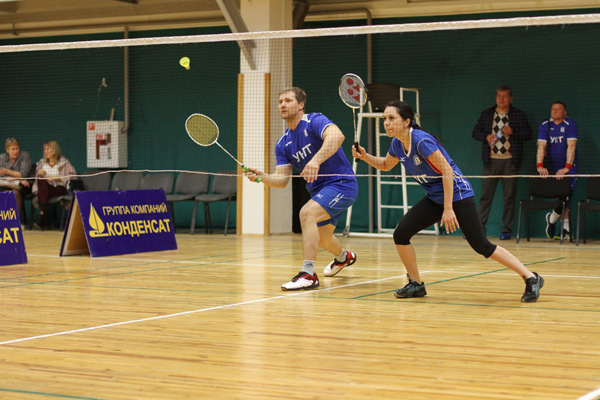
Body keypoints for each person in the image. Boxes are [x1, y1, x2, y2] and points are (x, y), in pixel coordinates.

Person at [352, 100, 544, 302]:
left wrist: (448, 208)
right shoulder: (397, 144)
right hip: (435, 197)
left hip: (458, 194)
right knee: (401, 234)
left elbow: (447, 171)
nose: (386, 123)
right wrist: (365, 156)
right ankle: (416, 284)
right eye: (384, 119)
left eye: (392, 118)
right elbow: (385, 164)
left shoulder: (421, 141)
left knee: (482, 246)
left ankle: (531, 278)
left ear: (407, 121)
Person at [245, 87, 358, 291]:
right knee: (323, 239)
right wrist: (262, 177)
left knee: (306, 214)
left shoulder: (314, 120)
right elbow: (281, 180)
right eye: (280, 101)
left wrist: (315, 161)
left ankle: (308, 274)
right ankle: (344, 257)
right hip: (319, 192)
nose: (282, 105)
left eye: (288, 100)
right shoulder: (283, 143)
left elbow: (337, 137)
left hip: (342, 184)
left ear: (301, 105)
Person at [472, 85, 532, 240]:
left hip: (510, 162)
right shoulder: (487, 114)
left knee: (509, 197)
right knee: (485, 196)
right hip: (490, 161)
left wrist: (513, 132)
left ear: (511, 98)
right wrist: (486, 136)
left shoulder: (518, 115)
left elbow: (528, 134)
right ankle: (479, 229)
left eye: (505, 96)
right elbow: (475, 132)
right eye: (499, 96)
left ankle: (506, 230)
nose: (501, 99)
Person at [536, 101, 578, 240]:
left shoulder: (570, 124)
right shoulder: (545, 125)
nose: (555, 111)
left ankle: (552, 219)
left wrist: (566, 167)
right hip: (551, 166)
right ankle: (566, 230)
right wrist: (540, 165)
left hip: (568, 167)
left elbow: (571, 147)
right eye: (553, 109)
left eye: (559, 109)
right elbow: (541, 147)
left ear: (565, 113)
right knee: (561, 197)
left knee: (566, 196)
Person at [32, 140, 76, 229]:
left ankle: (43, 216)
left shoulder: (64, 162)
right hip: (45, 188)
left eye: (48, 149)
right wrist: (39, 174)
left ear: (54, 149)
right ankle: (44, 215)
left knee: (42, 192)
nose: (46, 151)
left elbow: (73, 176)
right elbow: (36, 179)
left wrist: (57, 177)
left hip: (58, 188)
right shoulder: (41, 163)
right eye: (45, 149)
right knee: (43, 183)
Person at [0, 137, 33, 226]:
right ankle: (3, 222)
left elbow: (23, 174)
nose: (15, 151)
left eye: (17, 148)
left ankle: (15, 222)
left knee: (15, 193)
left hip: (23, 186)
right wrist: (14, 177)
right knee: (4, 192)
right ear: (7, 150)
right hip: (5, 185)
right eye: (13, 149)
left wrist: (7, 172)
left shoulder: (25, 156)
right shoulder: (1, 158)